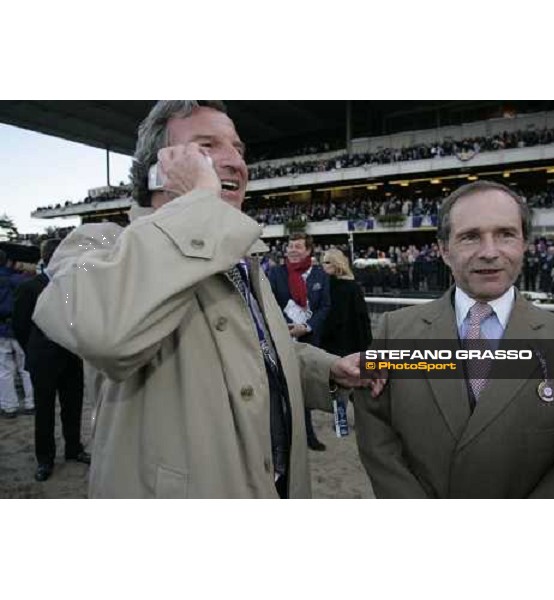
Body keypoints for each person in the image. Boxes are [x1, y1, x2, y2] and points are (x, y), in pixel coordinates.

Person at [33, 101, 380, 499]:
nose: (235, 161)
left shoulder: (241, 262)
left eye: (238, 149)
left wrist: (330, 369)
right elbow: (105, 333)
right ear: (159, 168)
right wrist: (197, 201)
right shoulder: (102, 243)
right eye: (208, 146)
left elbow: (259, 350)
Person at [354, 180, 554, 498]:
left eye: (505, 234)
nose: (489, 252)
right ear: (443, 249)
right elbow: (377, 436)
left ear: (524, 243)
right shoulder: (394, 331)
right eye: (470, 237)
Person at [13, 239, 90, 482]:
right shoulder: (29, 288)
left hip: (71, 356)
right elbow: (20, 326)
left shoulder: (73, 285)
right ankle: (45, 460)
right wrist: (35, 351)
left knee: (73, 405)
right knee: (44, 411)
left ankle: (73, 448)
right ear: (48, 258)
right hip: (43, 360)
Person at [268, 233, 331, 451]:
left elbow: (325, 307)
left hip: (309, 339)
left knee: (303, 388)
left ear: (308, 251)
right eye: (290, 246)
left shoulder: (320, 275)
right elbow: (269, 303)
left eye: (297, 246)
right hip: (282, 337)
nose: (292, 250)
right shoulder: (275, 273)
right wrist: (285, 326)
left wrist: (307, 326)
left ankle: (307, 434)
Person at [320, 248, 372, 434]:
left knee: (344, 388)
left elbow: (337, 319)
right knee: (353, 388)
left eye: (326, 262)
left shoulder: (333, 288)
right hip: (352, 344)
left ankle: (343, 423)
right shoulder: (352, 287)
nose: (323, 266)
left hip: (340, 345)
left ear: (336, 264)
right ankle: (358, 423)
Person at [0, 249, 34, 418]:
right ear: (8, 261)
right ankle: (31, 403)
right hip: (21, 328)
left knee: (4, 370)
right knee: (25, 368)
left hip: (1, 331)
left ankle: (9, 407)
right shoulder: (22, 280)